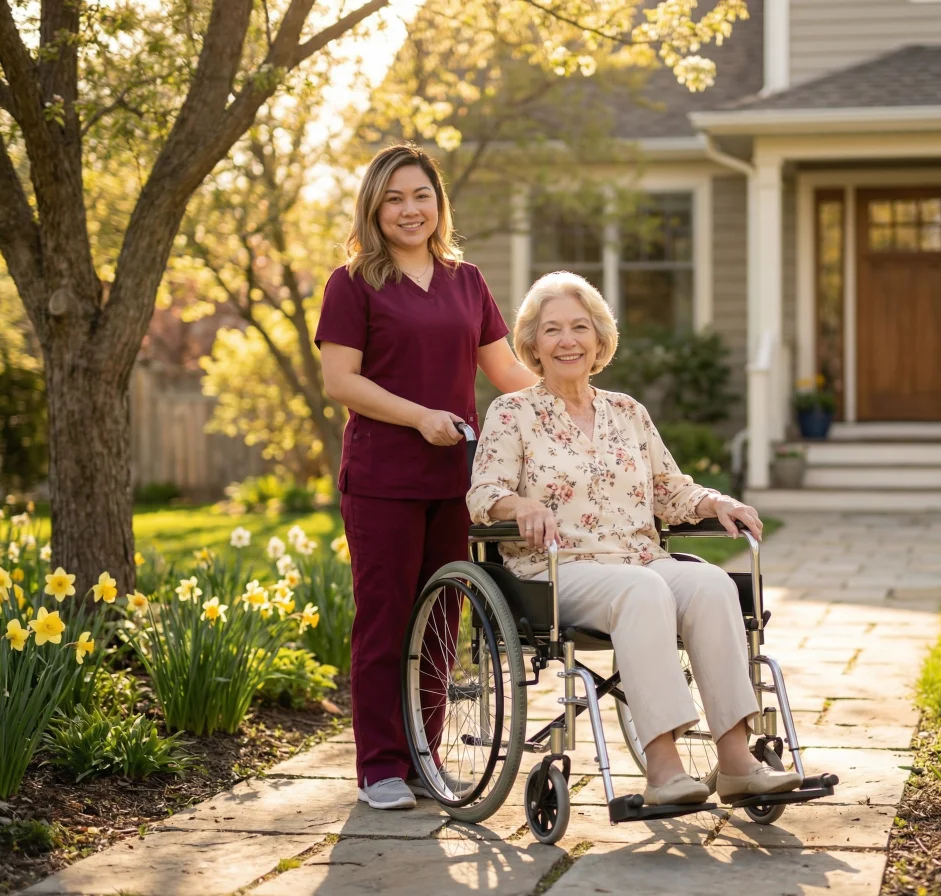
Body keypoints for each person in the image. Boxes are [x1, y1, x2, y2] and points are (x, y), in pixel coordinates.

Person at [465, 271, 803, 806]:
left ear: (600, 338)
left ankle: (737, 762)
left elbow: (671, 490)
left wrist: (718, 502)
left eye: (580, 327)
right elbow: (483, 493)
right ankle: (664, 770)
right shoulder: (514, 413)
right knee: (642, 591)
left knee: (711, 584)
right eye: (552, 330)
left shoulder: (628, 412)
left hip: (640, 558)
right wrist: (520, 504)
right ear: (532, 343)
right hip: (556, 570)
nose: (567, 340)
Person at [317, 143, 539, 810]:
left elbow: (506, 375)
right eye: (394, 198)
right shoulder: (351, 283)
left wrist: (581, 406)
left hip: (458, 479)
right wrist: (419, 417)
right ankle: (379, 768)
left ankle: (423, 754)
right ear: (374, 208)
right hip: (383, 480)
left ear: (438, 203)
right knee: (385, 620)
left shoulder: (466, 281)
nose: (410, 210)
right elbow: (340, 382)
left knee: (443, 619)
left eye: (421, 195)